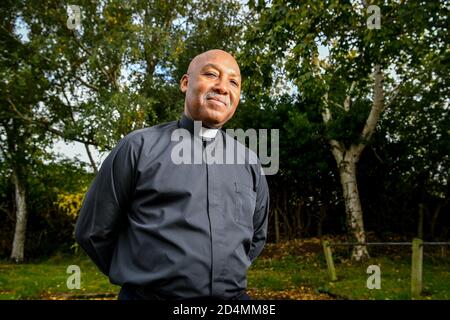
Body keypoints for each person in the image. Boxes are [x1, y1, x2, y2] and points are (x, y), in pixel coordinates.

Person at [75, 49, 270, 300]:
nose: (223, 87)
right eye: (211, 74)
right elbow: (93, 231)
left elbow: (256, 237)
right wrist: (142, 280)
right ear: (185, 83)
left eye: (233, 82)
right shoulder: (137, 147)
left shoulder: (249, 162)